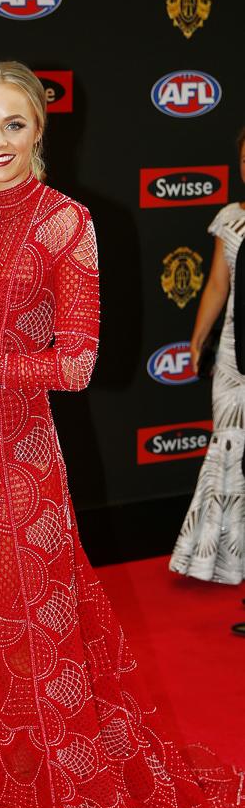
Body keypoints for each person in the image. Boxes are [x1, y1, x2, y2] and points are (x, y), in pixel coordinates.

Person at [0, 61, 245, 808]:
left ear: (40, 129)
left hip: (19, 471)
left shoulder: (67, 223)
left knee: (31, 643)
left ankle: (55, 804)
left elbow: (78, 365)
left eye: (15, 124)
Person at [170, 130, 245, 599]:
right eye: (244, 157)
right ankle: (224, 562)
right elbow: (217, 285)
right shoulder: (230, 220)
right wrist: (199, 340)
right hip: (235, 359)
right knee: (229, 454)